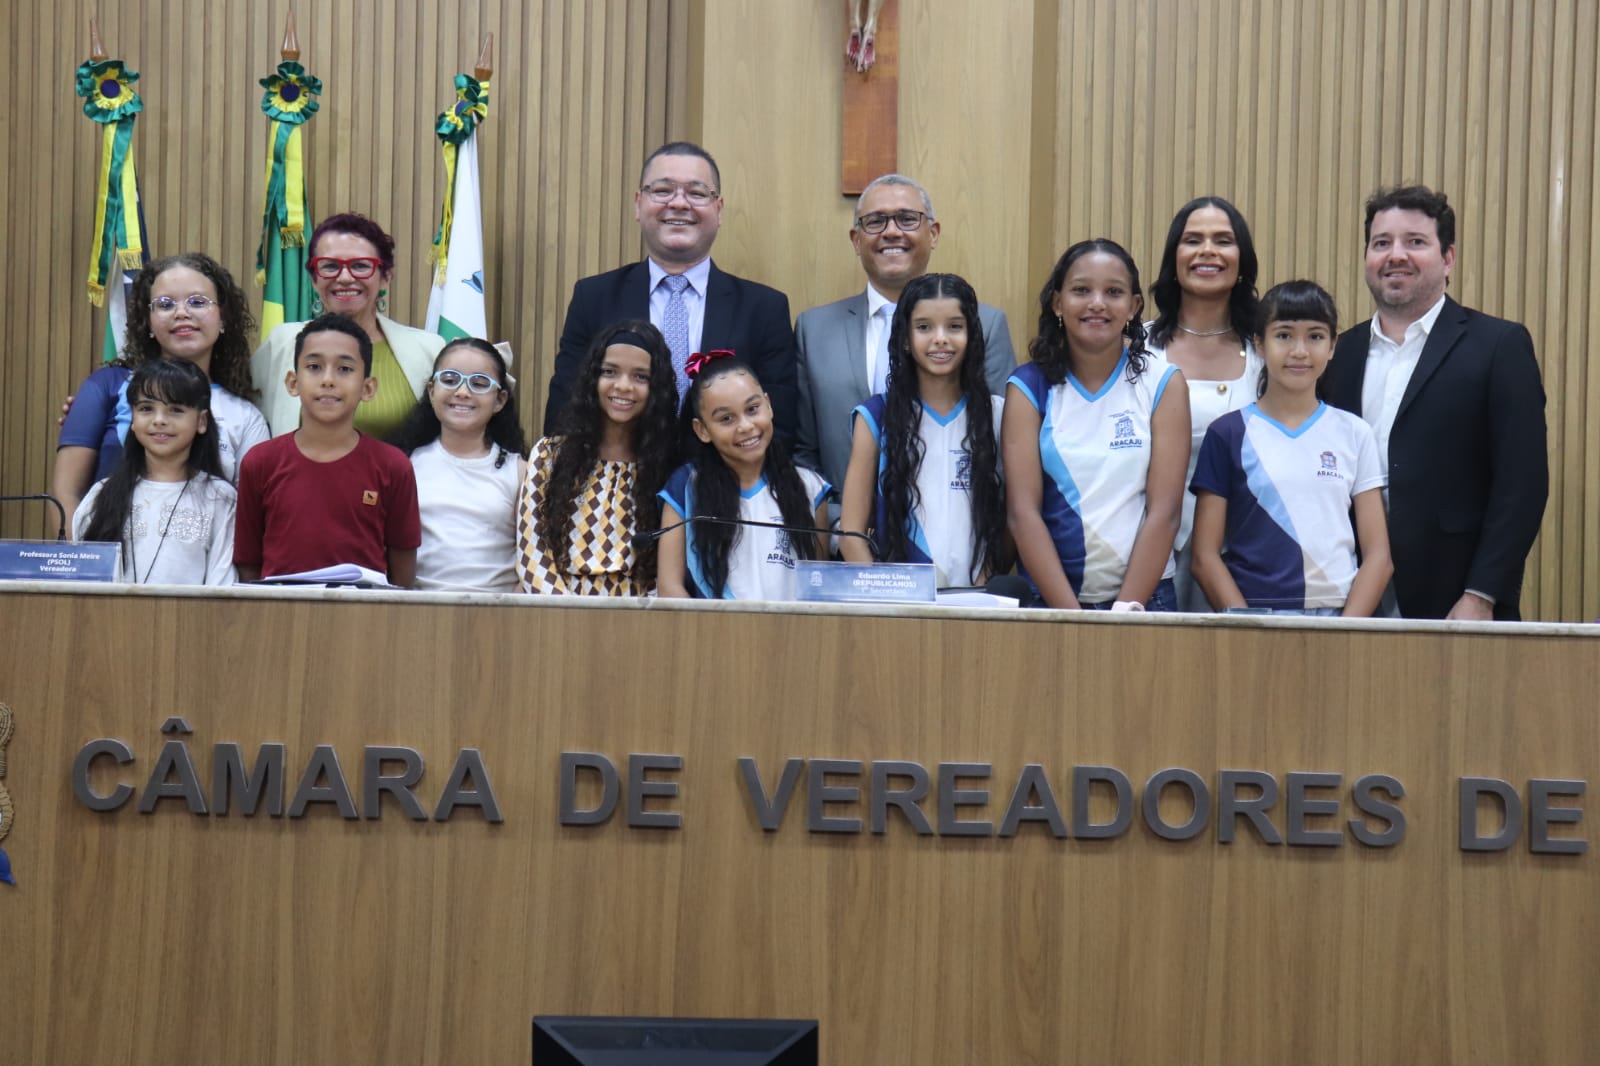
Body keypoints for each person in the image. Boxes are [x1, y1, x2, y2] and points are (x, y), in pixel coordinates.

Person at [1325, 185, 1548, 620]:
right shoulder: (1339, 353)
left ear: (1448, 258)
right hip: (1345, 597)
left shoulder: (1498, 346)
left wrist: (1482, 593)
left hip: (1455, 599)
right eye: (1381, 243)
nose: (1396, 255)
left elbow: (1522, 486)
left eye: (1415, 242)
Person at [541, 142, 799, 441]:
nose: (679, 203)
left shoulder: (764, 308)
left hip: (725, 483)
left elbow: (779, 426)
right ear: (639, 204)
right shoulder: (594, 298)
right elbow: (565, 415)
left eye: (697, 193)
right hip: (619, 481)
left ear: (719, 210)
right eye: (663, 191)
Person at [795, 174, 1016, 517]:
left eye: (907, 218)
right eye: (875, 221)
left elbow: (1003, 446)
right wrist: (837, 529)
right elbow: (802, 451)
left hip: (955, 538)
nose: (892, 231)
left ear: (933, 233)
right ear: (856, 239)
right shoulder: (814, 329)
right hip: (844, 542)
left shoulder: (985, 325)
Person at [1002, 239, 1189, 610]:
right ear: (1057, 301)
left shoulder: (1163, 382)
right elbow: (1023, 514)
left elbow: (1165, 512)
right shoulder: (1027, 387)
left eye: (1114, 292)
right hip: (1050, 603)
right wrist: (1074, 620)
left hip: (1144, 602)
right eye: (1081, 290)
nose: (1097, 303)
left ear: (1135, 306)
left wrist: (1122, 614)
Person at [1190, 281, 1391, 615]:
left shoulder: (1355, 433)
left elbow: (1379, 558)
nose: (1300, 351)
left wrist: (1346, 631)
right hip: (1254, 616)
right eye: (1284, 335)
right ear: (1259, 344)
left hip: (1339, 615)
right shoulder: (1227, 434)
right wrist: (1245, 626)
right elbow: (1204, 557)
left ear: (1332, 346)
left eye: (1315, 336)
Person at [55, 253, 268, 530]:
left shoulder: (245, 415)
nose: (182, 313)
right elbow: (66, 494)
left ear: (223, 317)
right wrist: (82, 566)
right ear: (149, 321)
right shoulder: (105, 387)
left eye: (198, 302)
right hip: (106, 564)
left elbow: (250, 514)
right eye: (165, 304)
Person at [838, 273, 1009, 586]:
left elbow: (1012, 524)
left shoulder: (998, 415)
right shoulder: (875, 416)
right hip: (899, 609)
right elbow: (851, 536)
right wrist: (886, 597)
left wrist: (983, 591)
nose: (940, 338)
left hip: (978, 604)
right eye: (924, 327)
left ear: (972, 334)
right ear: (905, 337)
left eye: (955, 326)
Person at [234, 315, 421, 586]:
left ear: (368, 388)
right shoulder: (261, 462)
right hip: (279, 617)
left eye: (345, 369)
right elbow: (248, 563)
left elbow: (403, 568)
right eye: (314, 367)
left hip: (364, 620)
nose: (328, 380)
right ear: (292, 382)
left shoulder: (393, 466)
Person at [1144, 196, 1265, 610]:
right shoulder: (1135, 351)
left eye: (1223, 240)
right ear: (1173, 257)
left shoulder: (1270, 352)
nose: (1207, 251)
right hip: (1147, 557)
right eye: (1193, 240)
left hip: (1249, 556)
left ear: (1242, 259)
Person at [517, 322, 679, 595]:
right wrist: (570, 622)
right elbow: (532, 553)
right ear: (592, 377)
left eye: (641, 377)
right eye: (609, 372)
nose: (624, 386)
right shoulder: (549, 455)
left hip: (638, 621)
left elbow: (664, 573)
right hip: (556, 618)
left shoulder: (667, 464)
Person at [251, 212, 445, 438]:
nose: (344, 277)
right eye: (330, 266)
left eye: (361, 266)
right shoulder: (282, 343)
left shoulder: (429, 350)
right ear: (314, 279)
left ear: (386, 277)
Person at [656, 354, 829, 599]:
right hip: (712, 632)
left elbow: (817, 584)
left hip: (792, 634)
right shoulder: (684, 488)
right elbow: (669, 587)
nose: (746, 426)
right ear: (702, 430)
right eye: (726, 418)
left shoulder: (810, 487)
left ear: (769, 406)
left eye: (752, 409)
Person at [73, 359, 237, 586]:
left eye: (175, 410)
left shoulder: (221, 497)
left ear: (201, 421)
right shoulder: (101, 495)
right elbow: (81, 582)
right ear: (132, 418)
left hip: (192, 621)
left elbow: (222, 587)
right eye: (146, 409)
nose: (159, 420)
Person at [388, 339, 528, 592]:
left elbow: (534, 561)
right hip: (418, 613)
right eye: (450, 379)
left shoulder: (520, 472)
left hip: (499, 616)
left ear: (500, 399)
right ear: (431, 390)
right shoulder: (405, 465)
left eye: (479, 383)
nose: (463, 392)